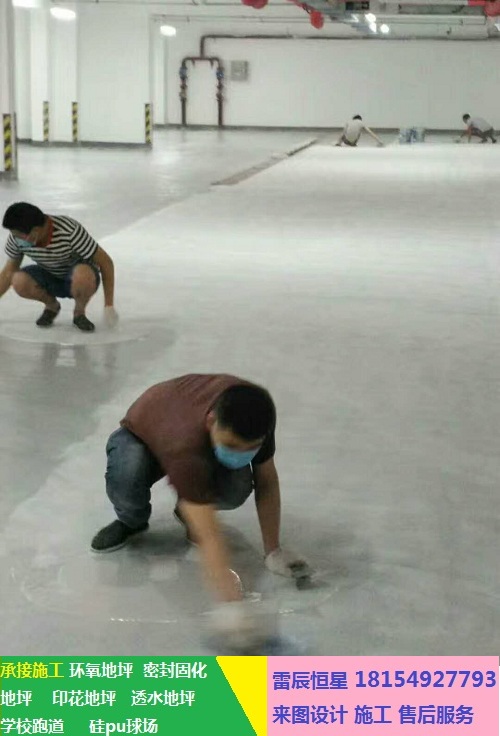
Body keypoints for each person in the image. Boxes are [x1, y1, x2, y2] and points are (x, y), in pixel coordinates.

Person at [92, 374, 307, 645]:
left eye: (250, 448)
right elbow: (209, 535)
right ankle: (131, 521)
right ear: (210, 422)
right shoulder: (183, 444)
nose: (240, 453)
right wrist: (231, 606)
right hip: (143, 436)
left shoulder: (257, 411)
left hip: (191, 432)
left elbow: (266, 479)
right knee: (128, 474)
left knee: (238, 486)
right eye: (231, 446)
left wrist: (273, 550)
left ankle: (187, 509)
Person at [0, 202, 118, 332]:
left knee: (82, 274)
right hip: (49, 275)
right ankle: (51, 306)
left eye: (17, 235)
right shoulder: (17, 239)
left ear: (35, 231)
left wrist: (109, 305)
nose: (15, 238)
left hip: (80, 279)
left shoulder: (69, 231)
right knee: (19, 280)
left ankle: (79, 313)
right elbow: (8, 272)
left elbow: (105, 262)